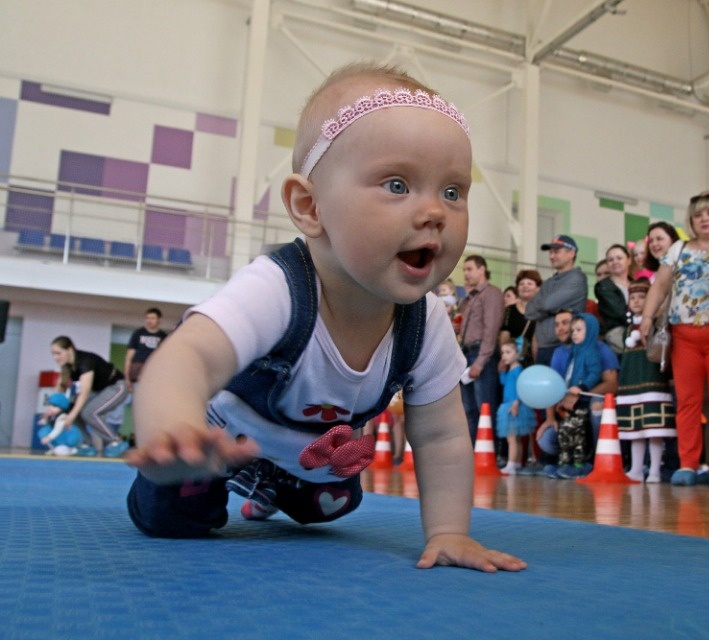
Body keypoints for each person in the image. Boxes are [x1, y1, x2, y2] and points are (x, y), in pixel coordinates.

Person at [124, 62, 525, 572]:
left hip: (306, 456)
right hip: (223, 439)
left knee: (333, 508)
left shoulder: (424, 324)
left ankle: (276, 488)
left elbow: (442, 435)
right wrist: (173, 430)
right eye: (398, 185)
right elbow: (186, 358)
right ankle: (214, 481)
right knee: (176, 518)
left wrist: (449, 532)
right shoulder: (278, 287)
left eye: (453, 191)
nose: (435, 212)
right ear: (309, 206)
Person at [639, 191, 709, 487]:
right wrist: (647, 317)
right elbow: (659, 287)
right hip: (683, 337)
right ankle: (688, 464)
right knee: (687, 402)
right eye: (698, 214)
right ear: (690, 220)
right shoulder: (679, 249)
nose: (705, 219)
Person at [617, 279, 676, 483]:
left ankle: (654, 470)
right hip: (631, 386)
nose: (636, 301)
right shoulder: (626, 329)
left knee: (654, 429)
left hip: (652, 382)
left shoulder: (655, 325)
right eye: (632, 297)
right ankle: (635, 468)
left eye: (642, 297)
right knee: (636, 431)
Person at [542, 313, 603, 479]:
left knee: (578, 433)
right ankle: (563, 462)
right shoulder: (573, 353)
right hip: (570, 402)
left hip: (582, 401)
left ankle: (580, 464)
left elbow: (595, 372)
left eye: (578, 330)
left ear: (590, 332)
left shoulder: (591, 352)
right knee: (565, 431)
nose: (573, 333)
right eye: (573, 330)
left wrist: (582, 387)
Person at [49, 336, 130, 458]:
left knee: (89, 412)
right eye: (53, 354)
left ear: (69, 349)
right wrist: (53, 409)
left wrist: (71, 415)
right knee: (70, 411)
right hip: (100, 390)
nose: (55, 357)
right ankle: (87, 444)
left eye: (58, 353)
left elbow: (85, 392)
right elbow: (60, 389)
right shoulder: (68, 366)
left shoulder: (85, 361)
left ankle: (116, 442)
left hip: (117, 386)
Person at [458, 255, 503, 446]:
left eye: (469, 269)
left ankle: (488, 451)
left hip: (480, 353)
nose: (466, 274)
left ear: (482, 270)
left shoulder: (491, 293)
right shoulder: (470, 298)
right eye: (464, 270)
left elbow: (491, 329)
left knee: (484, 406)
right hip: (466, 353)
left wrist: (481, 360)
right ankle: (474, 450)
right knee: (468, 408)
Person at [525, 235, 587, 367]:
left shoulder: (577, 278)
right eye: (550, 252)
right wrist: (552, 308)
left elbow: (547, 305)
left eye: (556, 251)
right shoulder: (549, 282)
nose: (551, 256)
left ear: (571, 253)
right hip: (543, 348)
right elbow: (529, 311)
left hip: (564, 346)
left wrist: (544, 306)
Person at [496, 339, 537, 475]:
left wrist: (516, 403)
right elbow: (503, 382)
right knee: (515, 438)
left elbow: (521, 387)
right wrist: (501, 371)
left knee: (512, 438)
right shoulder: (510, 369)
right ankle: (517, 463)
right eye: (503, 353)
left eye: (508, 352)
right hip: (508, 404)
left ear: (518, 353)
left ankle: (511, 464)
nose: (504, 356)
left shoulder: (518, 369)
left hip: (514, 405)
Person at [594, 243, 632, 354]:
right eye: (610, 260)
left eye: (619, 258)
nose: (615, 262)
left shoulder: (637, 283)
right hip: (617, 334)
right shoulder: (603, 286)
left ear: (629, 261)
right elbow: (618, 312)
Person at [499, 269, 541, 367]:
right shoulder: (510, 310)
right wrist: (504, 357)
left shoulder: (542, 311)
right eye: (521, 284)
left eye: (530, 283)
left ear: (538, 288)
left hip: (532, 362)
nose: (525, 286)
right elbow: (504, 335)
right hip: (512, 362)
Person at [125, 307, 167, 391]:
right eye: (147, 318)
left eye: (152, 318)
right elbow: (128, 357)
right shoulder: (138, 333)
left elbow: (165, 360)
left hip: (154, 374)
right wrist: (127, 378)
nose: (149, 320)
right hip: (136, 373)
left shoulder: (163, 336)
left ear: (159, 320)